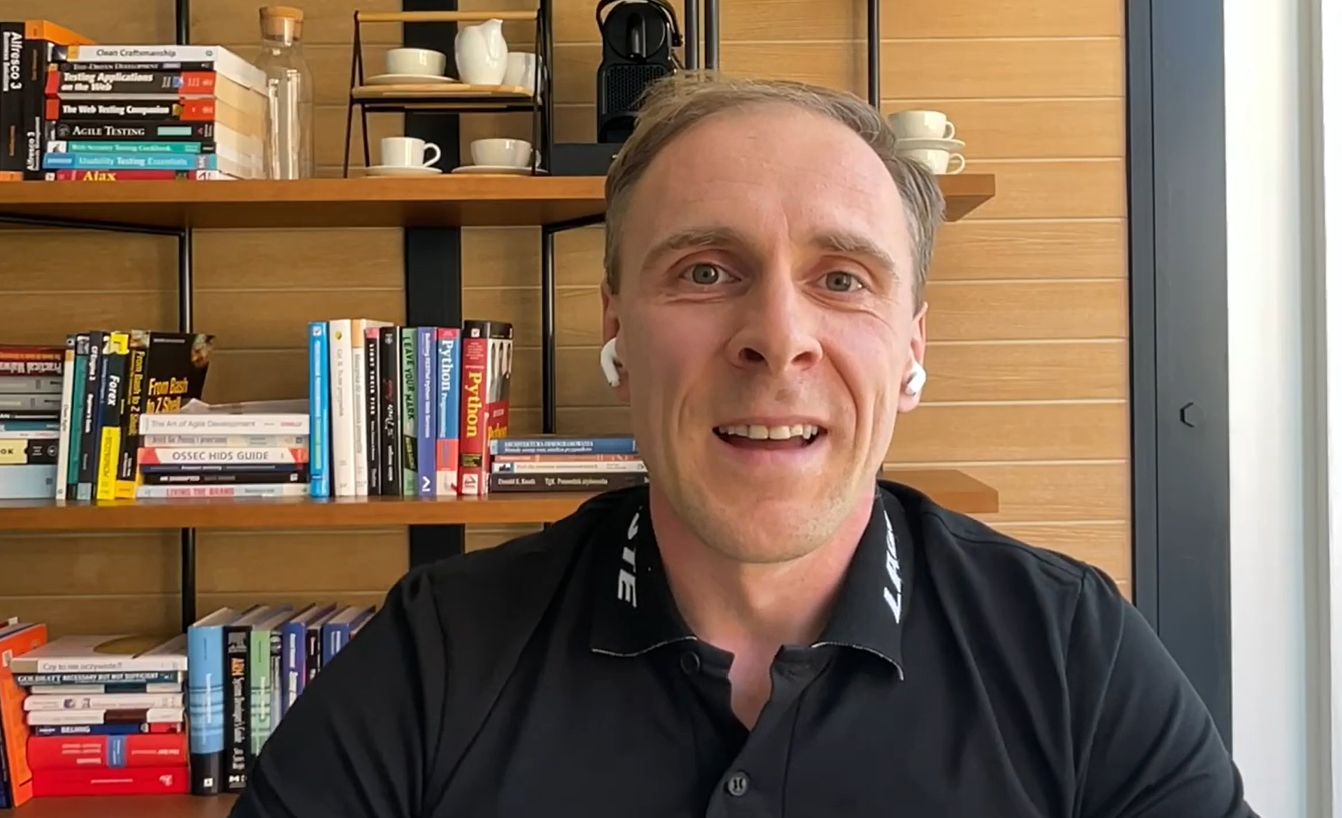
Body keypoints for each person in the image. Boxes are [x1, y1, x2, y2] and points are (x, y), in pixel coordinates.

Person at [229, 73, 1258, 818]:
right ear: (618, 328)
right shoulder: (441, 653)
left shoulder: (1071, 649)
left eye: (842, 277)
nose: (777, 335)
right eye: (706, 271)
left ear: (911, 343)